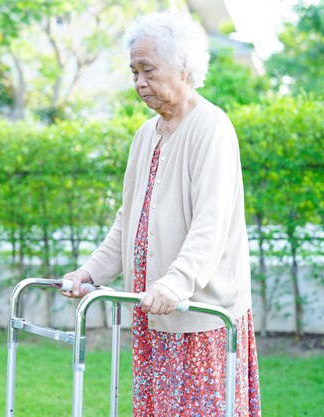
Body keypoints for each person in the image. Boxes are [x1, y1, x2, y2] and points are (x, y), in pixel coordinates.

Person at [61, 11, 261, 417]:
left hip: (198, 320)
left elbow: (211, 224)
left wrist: (176, 283)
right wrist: (90, 273)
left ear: (183, 66)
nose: (138, 83)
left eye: (147, 70)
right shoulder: (145, 135)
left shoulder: (211, 127)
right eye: (134, 72)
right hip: (154, 315)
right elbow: (129, 220)